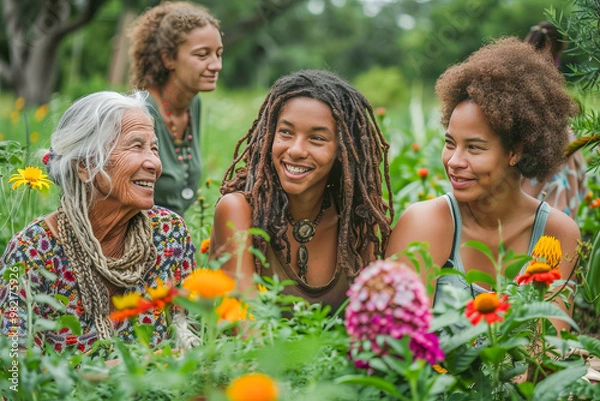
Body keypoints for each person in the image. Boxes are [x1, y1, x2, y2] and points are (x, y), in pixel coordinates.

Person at [385, 38, 581, 332]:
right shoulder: (426, 223)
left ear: (515, 151)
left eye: (474, 148)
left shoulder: (557, 234)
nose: (454, 161)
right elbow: (396, 342)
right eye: (450, 143)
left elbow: (547, 349)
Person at [0, 91, 197, 353]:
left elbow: (190, 337)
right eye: (136, 146)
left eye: (154, 148)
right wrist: (123, 373)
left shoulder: (169, 234)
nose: (155, 163)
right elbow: (15, 374)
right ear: (85, 165)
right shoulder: (30, 252)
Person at [210, 70, 394, 313]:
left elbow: (370, 322)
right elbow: (247, 329)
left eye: (317, 138)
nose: (296, 150)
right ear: (269, 136)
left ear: (343, 150)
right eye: (286, 132)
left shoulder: (356, 222)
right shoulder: (238, 211)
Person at [129, 1, 223, 216]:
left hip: (173, 239)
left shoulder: (194, 104)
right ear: (168, 58)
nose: (216, 65)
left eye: (218, 53)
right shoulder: (140, 110)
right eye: (202, 55)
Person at [521, 21, 587, 219]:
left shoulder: (517, 70)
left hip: (528, 155)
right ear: (557, 48)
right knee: (554, 211)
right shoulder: (550, 72)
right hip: (554, 146)